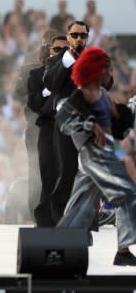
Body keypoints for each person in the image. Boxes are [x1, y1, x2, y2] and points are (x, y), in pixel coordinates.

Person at [56, 47, 136, 266]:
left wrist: (124, 119)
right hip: (95, 155)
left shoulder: (104, 95)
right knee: (128, 194)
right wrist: (92, 127)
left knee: (82, 203)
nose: (111, 74)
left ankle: (59, 245)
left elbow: (117, 128)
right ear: (97, 70)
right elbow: (63, 122)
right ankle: (123, 251)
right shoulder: (81, 95)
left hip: (107, 151)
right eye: (107, 69)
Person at [44, 21, 103, 222]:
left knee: (90, 173)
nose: (79, 39)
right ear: (68, 36)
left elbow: (108, 82)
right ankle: (60, 221)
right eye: (75, 35)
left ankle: (87, 222)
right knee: (66, 172)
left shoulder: (94, 57)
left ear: (88, 37)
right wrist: (66, 61)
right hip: (66, 123)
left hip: (91, 122)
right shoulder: (58, 60)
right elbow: (51, 84)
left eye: (83, 35)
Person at [27, 33, 69, 226]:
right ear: (49, 51)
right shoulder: (37, 74)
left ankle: (67, 218)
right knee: (47, 171)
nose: (60, 53)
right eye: (56, 49)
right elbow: (34, 103)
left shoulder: (75, 73)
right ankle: (45, 218)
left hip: (69, 129)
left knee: (68, 173)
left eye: (64, 49)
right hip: (48, 127)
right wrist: (47, 90)